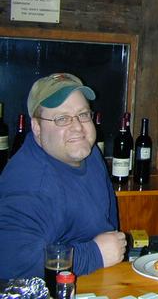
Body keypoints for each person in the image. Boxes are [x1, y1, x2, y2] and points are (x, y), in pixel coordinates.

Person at [0, 73, 126, 279]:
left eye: (83, 114)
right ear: (37, 127)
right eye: (62, 119)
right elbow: (10, 264)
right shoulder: (30, 185)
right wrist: (93, 255)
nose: (77, 127)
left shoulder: (89, 152)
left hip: (101, 278)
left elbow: (108, 217)